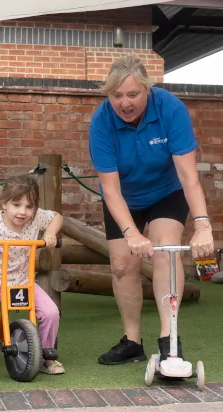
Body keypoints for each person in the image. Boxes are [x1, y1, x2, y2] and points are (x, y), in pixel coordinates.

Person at [89, 55, 215, 365]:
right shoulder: (101, 122)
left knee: (165, 252)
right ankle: (132, 341)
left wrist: (203, 224)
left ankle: (168, 338)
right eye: (116, 95)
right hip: (124, 198)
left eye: (132, 94)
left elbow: (188, 176)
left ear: (148, 90)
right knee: (121, 265)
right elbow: (111, 189)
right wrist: (131, 232)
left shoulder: (170, 109)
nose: (124, 103)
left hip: (165, 192)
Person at [0, 174, 65, 376]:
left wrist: (50, 232)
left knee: (51, 312)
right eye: (16, 205)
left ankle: (46, 356)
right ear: (4, 204)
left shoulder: (36, 218)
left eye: (29, 206)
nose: (22, 212)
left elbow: (57, 217)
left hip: (24, 282)